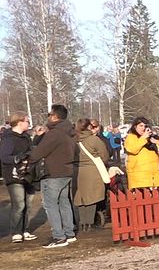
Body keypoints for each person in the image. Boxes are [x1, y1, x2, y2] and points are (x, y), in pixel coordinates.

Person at [29, 105, 77, 248]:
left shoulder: (54, 133)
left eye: (49, 114)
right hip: (67, 171)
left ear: (55, 116)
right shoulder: (70, 132)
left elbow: (39, 153)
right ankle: (69, 233)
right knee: (64, 202)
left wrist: (29, 158)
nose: (48, 117)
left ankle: (59, 236)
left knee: (50, 205)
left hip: (53, 173)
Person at [0, 112, 37, 243]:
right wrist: (17, 157)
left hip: (27, 173)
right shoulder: (8, 138)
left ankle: (25, 229)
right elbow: (4, 157)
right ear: (20, 122)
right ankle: (16, 231)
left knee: (28, 203)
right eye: (27, 121)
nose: (29, 123)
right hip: (13, 175)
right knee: (19, 203)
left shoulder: (26, 137)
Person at [74, 119, 110, 232]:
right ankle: (90, 223)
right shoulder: (94, 139)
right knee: (92, 197)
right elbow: (105, 155)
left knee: (81, 198)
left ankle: (82, 223)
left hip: (77, 171)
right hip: (92, 171)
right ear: (89, 127)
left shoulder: (73, 140)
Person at [123, 117, 159, 190]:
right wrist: (143, 137)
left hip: (154, 177)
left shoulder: (151, 138)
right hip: (139, 178)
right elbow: (132, 149)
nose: (143, 128)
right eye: (140, 126)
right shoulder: (131, 137)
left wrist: (157, 142)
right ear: (135, 127)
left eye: (145, 126)